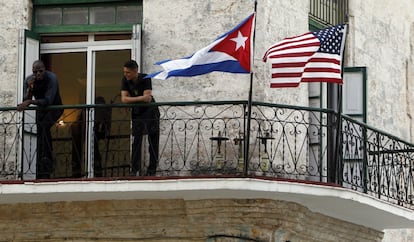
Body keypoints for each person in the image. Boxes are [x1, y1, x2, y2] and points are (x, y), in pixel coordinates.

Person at [17, 60, 63, 179]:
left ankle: (47, 160)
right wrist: (30, 89)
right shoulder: (29, 80)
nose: (38, 74)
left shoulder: (52, 78)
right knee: (41, 133)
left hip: (54, 108)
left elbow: (48, 100)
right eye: (35, 72)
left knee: (44, 127)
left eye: (40, 71)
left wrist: (30, 101)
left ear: (44, 69)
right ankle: (42, 163)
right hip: (41, 110)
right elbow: (25, 98)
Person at [120, 60, 160, 176]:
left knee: (153, 141)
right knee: (136, 140)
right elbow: (123, 99)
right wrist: (140, 98)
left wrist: (131, 100)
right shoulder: (125, 80)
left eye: (128, 72)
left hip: (151, 112)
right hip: (137, 112)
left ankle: (152, 170)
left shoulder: (145, 78)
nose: (126, 74)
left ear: (135, 71)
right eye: (125, 72)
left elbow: (147, 99)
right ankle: (134, 170)